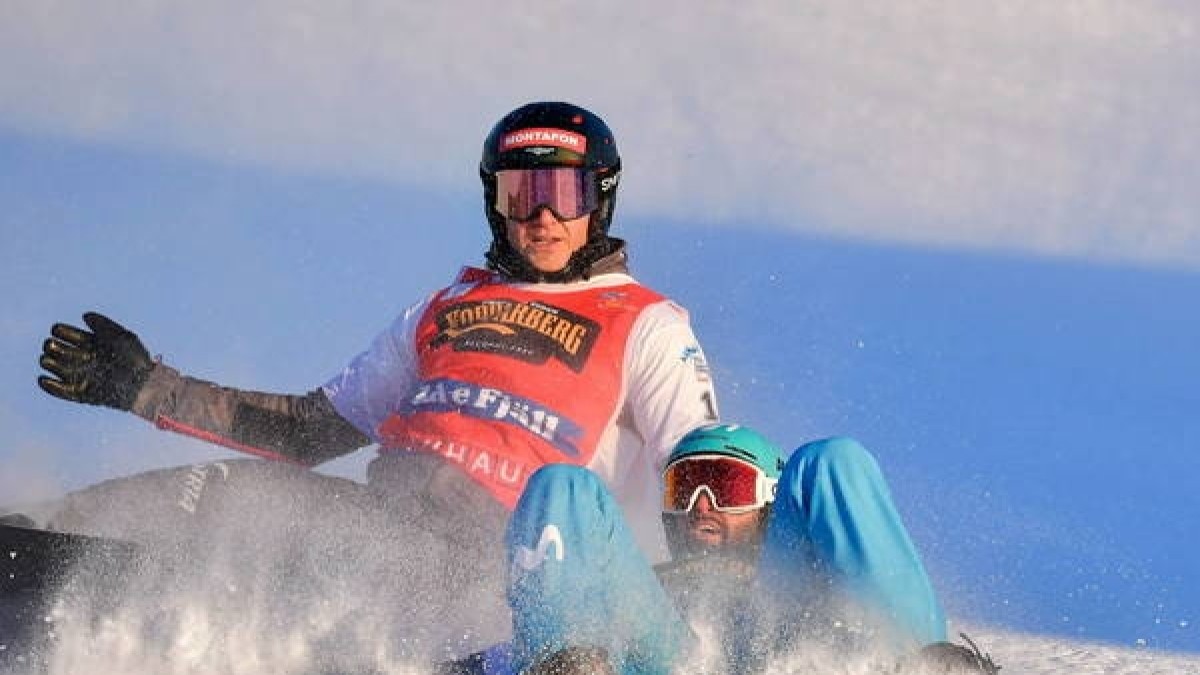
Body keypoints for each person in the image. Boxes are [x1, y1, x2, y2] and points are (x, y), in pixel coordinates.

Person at [30, 101, 719, 663]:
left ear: (597, 200)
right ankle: (34, 549)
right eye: (521, 192)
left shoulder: (646, 322)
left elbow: (701, 470)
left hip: (503, 561)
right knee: (225, 496)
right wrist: (147, 386)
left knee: (534, 513)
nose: (541, 216)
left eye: (562, 192)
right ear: (495, 203)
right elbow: (310, 427)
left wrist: (705, 595)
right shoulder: (444, 305)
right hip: (378, 528)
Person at [448, 424, 997, 674]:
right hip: (669, 656)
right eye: (684, 489)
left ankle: (929, 667)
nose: (701, 506)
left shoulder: (807, 588)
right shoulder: (655, 585)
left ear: (770, 503)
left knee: (832, 458)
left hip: (782, 651)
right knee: (562, 482)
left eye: (726, 486)